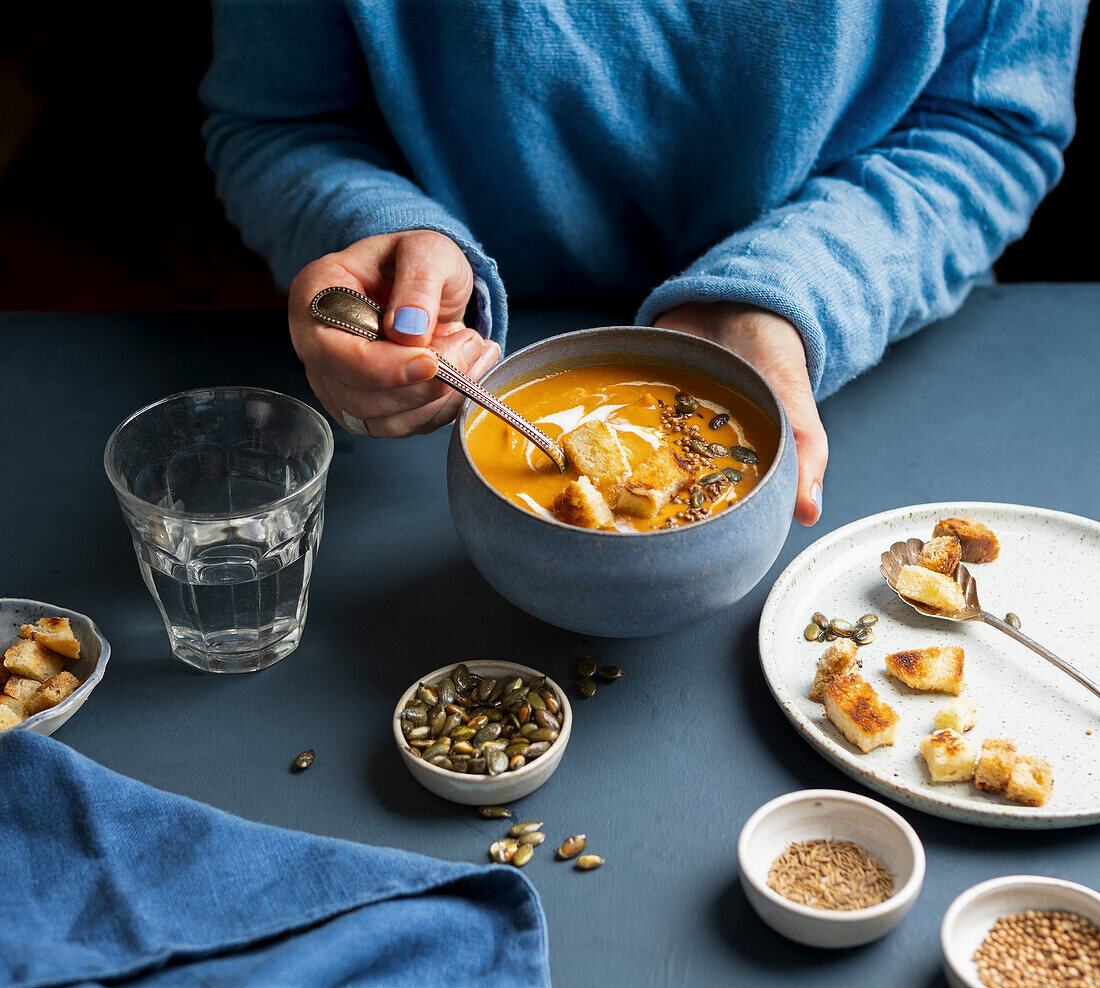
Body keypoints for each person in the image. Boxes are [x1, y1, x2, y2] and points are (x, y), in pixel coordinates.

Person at [201, 1, 1084, 527]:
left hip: (870, 364)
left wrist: (783, 296)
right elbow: (283, 123)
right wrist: (380, 235)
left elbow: (992, 124)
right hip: (430, 418)